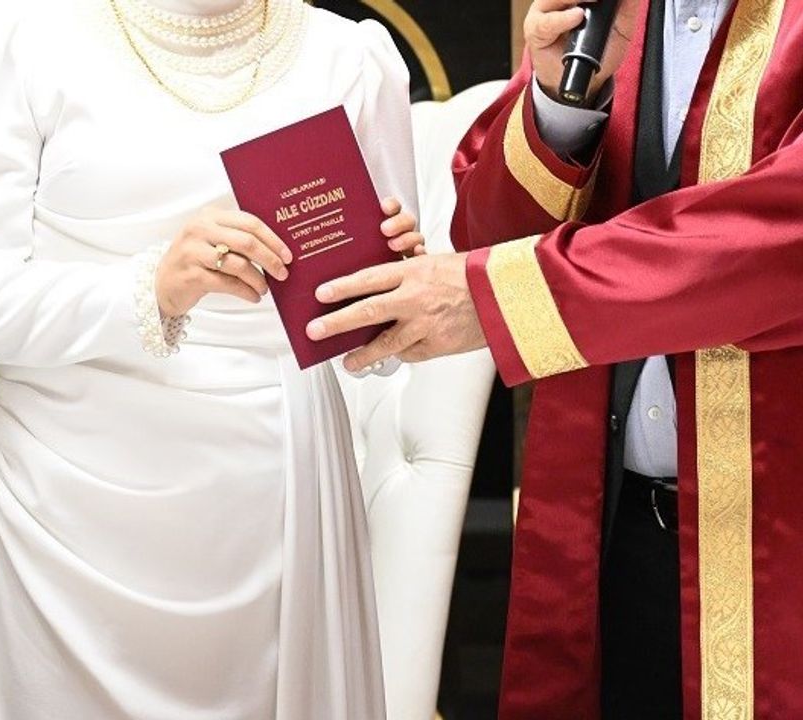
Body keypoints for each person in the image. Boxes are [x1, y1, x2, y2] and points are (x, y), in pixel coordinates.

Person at [0, 0, 425, 716]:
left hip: (275, 506)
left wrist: (391, 294)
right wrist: (150, 287)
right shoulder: (21, 29)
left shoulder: (350, 56)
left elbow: (386, 346)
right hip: (57, 519)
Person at [305, 0, 803, 716]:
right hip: (605, 527)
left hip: (778, 543)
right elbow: (485, 232)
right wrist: (560, 104)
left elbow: (772, 248)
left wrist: (493, 298)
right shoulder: (612, 13)